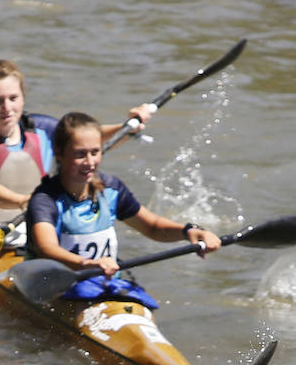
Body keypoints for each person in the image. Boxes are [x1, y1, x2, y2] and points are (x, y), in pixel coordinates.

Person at [25, 111, 222, 308]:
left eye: (95, 152)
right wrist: (87, 264)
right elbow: (46, 249)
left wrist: (188, 231)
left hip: (103, 287)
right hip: (59, 290)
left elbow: (152, 227)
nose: (90, 162)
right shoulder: (45, 199)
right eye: (80, 154)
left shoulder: (110, 189)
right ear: (59, 153)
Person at [0, 60, 155, 226]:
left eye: (13, 98)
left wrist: (126, 128)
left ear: (23, 98)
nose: (7, 107)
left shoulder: (41, 128)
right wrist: (26, 202)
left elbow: (89, 139)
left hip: (28, 221)